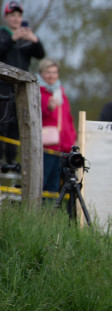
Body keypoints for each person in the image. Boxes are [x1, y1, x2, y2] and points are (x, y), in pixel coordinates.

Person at [0, 1, 45, 164]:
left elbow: (40, 54)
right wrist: (12, 39)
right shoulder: (3, 35)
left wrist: (35, 39)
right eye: (12, 15)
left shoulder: (26, 39)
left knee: (17, 127)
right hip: (3, 89)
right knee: (2, 125)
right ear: (6, 17)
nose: (15, 19)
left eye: (18, 15)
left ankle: (11, 164)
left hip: (21, 91)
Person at [38, 58, 76, 193]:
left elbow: (68, 119)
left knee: (54, 186)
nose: (51, 76)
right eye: (48, 72)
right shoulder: (37, 91)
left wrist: (73, 140)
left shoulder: (61, 94)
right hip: (45, 148)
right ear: (41, 73)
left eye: (54, 72)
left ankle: (50, 214)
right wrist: (47, 107)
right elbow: (32, 116)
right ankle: (36, 213)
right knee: (42, 183)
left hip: (62, 148)